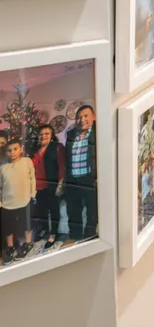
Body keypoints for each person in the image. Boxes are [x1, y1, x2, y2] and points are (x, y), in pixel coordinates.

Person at [64, 105, 97, 241]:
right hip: (72, 179)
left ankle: (89, 237)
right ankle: (75, 237)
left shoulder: (98, 133)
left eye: (85, 116)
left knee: (92, 211)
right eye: (79, 117)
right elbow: (66, 158)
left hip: (89, 179)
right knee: (72, 211)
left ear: (93, 117)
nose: (82, 119)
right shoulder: (71, 135)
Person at [0, 138, 36, 261]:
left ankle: (28, 243)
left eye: (15, 149)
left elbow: (32, 178)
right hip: (7, 203)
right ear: (6, 153)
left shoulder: (27, 161)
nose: (12, 153)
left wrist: (32, 194)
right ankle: (10, 247)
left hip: (24, 199)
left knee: (26, 224)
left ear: (21, 149)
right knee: (8, 226)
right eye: (9, 150)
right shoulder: (2, 167)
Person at [32, 124, 65, 247]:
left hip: (52, 185)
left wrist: (60, 184)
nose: (43, 136)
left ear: (51, 136)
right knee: (42, 211)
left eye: (47, 134)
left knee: (54, 210)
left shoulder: (57, 147)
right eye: (41, 134)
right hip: (38, 186)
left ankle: (53, 234)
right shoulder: (34, 150)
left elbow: (62, 166)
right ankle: (45, 229)